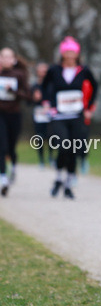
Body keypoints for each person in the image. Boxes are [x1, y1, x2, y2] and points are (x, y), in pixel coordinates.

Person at [41, 37, 98, 200]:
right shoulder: (54, 70)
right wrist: (46, 103)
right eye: (67, 52)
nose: (70, 55)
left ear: (77, 53)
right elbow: (44, 86)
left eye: (73, 52)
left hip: (77, 115)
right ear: (63, 53)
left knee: (74, 148)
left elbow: (95, 86)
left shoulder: (84, 70)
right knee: (64, 145)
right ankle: (59, 177)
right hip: (59, 115)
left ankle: (68, 183)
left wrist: (90, 108)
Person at [0, 48, 32, 196]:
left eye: (8, 57)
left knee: (11, 147)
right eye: (3, 57)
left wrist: (13, 91)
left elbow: (28, 96)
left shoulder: (19, 75)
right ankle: (3, 177)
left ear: (13, 59)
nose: (6, 59)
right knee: (2, 145)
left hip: (14, 115)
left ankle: (12, 168)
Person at [31, 62, 55, 168]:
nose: (43, 72)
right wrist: (34, 98)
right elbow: (28, 101)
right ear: (37, 72)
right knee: (39, 137)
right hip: (39, 114)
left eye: (45, 70)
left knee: (52, 136)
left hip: (50, 113)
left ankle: (51, 157)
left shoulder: (52, 84)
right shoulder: (34, 86)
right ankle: (41, 160)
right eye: (41, 70)